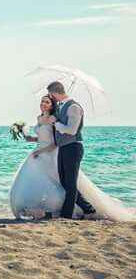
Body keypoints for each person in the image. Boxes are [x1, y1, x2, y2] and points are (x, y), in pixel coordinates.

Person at [9, 90, 134, 221]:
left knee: (62, 183)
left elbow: (55, 142)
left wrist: (40, 151)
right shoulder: (39, 118)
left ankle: (69, 210)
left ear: (52, 105)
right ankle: (37, 208)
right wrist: (26, 136)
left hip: (49, 155)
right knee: (34, 182)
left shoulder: (54, 119)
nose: (44, 104)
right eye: (42, 101)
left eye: (47, 102)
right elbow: (41, 138)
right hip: (38, 154)